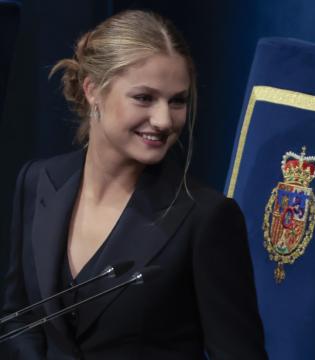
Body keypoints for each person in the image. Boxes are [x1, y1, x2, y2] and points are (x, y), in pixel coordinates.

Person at [1, 10, 267, 359]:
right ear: (93, 90)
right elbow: (17, 320)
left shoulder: (207, 218)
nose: (163, 120)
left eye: (177, 101)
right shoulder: (37, 181)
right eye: (144, 98)